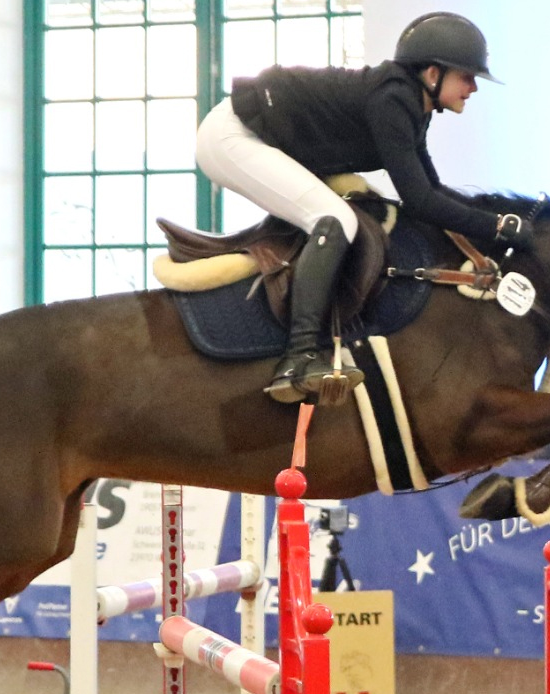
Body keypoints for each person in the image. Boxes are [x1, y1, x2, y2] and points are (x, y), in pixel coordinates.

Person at [196, 11, 518, 404]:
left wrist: (497, 222)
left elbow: (430, 191)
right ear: (433, 73)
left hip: (248, 134)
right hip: (233, 137)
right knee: (335, 220)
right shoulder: (394, 99)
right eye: (467, 76)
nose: (473, 87)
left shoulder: (412, 106)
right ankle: (299, 357)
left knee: (337, 218)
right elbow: (419, 200)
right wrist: (497, 227)